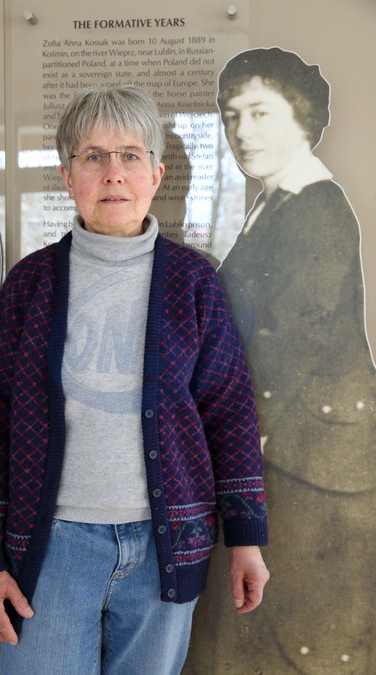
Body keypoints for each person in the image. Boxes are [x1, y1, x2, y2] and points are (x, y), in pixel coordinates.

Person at [0, 84, 269, 675]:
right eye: (93, 156)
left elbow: (229, 411)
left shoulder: (194, 285)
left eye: (129, 155)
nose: (113, 173)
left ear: (155, 175)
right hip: (48, 551)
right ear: (66, 175)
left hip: (165, 546)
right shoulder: (29, 286)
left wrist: (246, 537)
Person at [215, 47, 376, 672]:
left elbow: (289, 344)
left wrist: (227, 437)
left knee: (304, 643)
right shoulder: (277, 202)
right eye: (232, 116)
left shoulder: (316, 208)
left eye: (260, 112)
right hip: (292, 454)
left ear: (302, 115)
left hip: (315, 468)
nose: (243, 131)